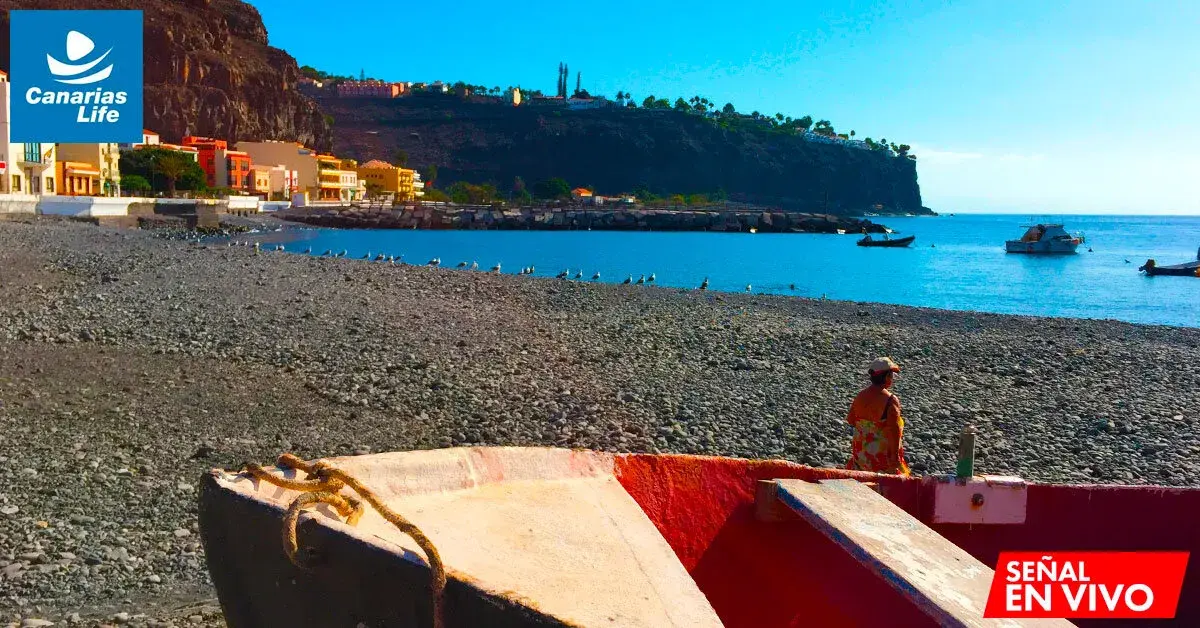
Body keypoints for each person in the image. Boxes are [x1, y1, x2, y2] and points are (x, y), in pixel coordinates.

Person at [845, 357, 910, 476]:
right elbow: (894, 431)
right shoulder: (890, 400)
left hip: (861, 458)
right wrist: (895, 461)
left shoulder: (860, 396)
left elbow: (851, 420)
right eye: (892, 375)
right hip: (881, 460)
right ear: (886, 377)